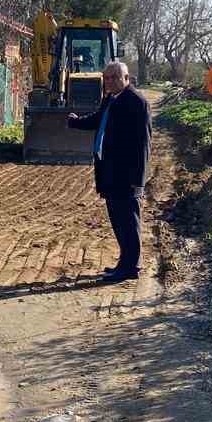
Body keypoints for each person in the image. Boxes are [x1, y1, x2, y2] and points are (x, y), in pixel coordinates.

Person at [68, 61, 151, 282]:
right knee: (118, 220)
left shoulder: (137, 102)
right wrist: (76, 123)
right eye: (107, 78)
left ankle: (131, 266)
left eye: (115, 77)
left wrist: (138, 179)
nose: (110, 81)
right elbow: (98, 120)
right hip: (110, 171)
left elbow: (143, 143)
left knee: (129, 221)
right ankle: (124, 263)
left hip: (127, 176)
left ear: (126, 78)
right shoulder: (111, 99)